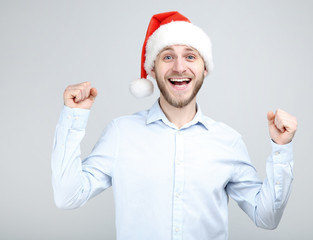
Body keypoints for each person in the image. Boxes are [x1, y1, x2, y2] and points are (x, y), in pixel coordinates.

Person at [52, 11, 297, 240]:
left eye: (190, 56)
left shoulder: (228, 141)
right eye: (167, 56)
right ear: (153, 69)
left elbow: (267, 218)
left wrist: (281, 149)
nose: (179, 67)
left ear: (204, 68)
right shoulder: (121, 133)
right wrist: (74, 117)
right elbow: (67, 197)